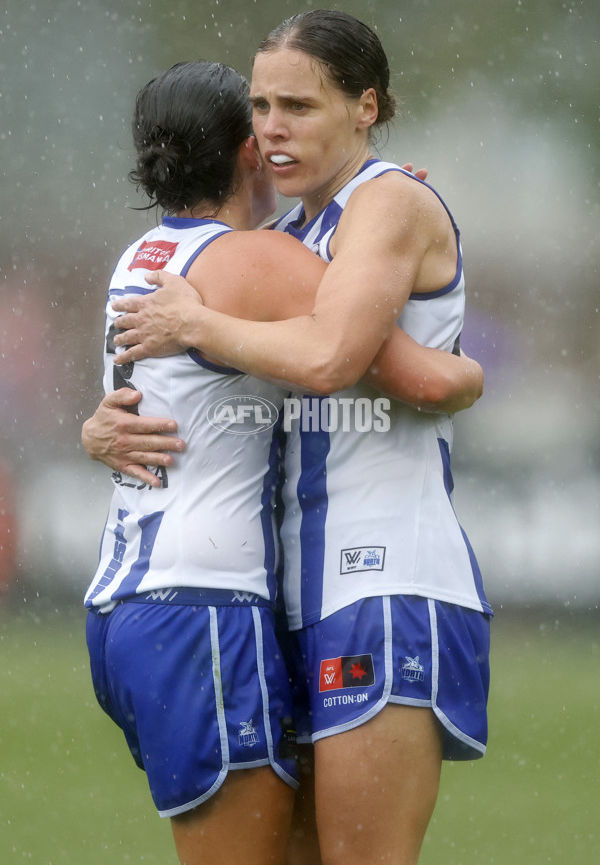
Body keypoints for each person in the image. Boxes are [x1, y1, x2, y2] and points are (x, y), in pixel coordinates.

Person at [83, 55, 484, 865]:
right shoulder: (257, 261)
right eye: (263, 116)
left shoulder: (144, 257)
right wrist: (469, 370)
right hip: (208, 601)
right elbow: (413, 374)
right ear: (244, 153)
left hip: (126, 602)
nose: (277, 134)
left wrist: (93, 433)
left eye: (292, 108)